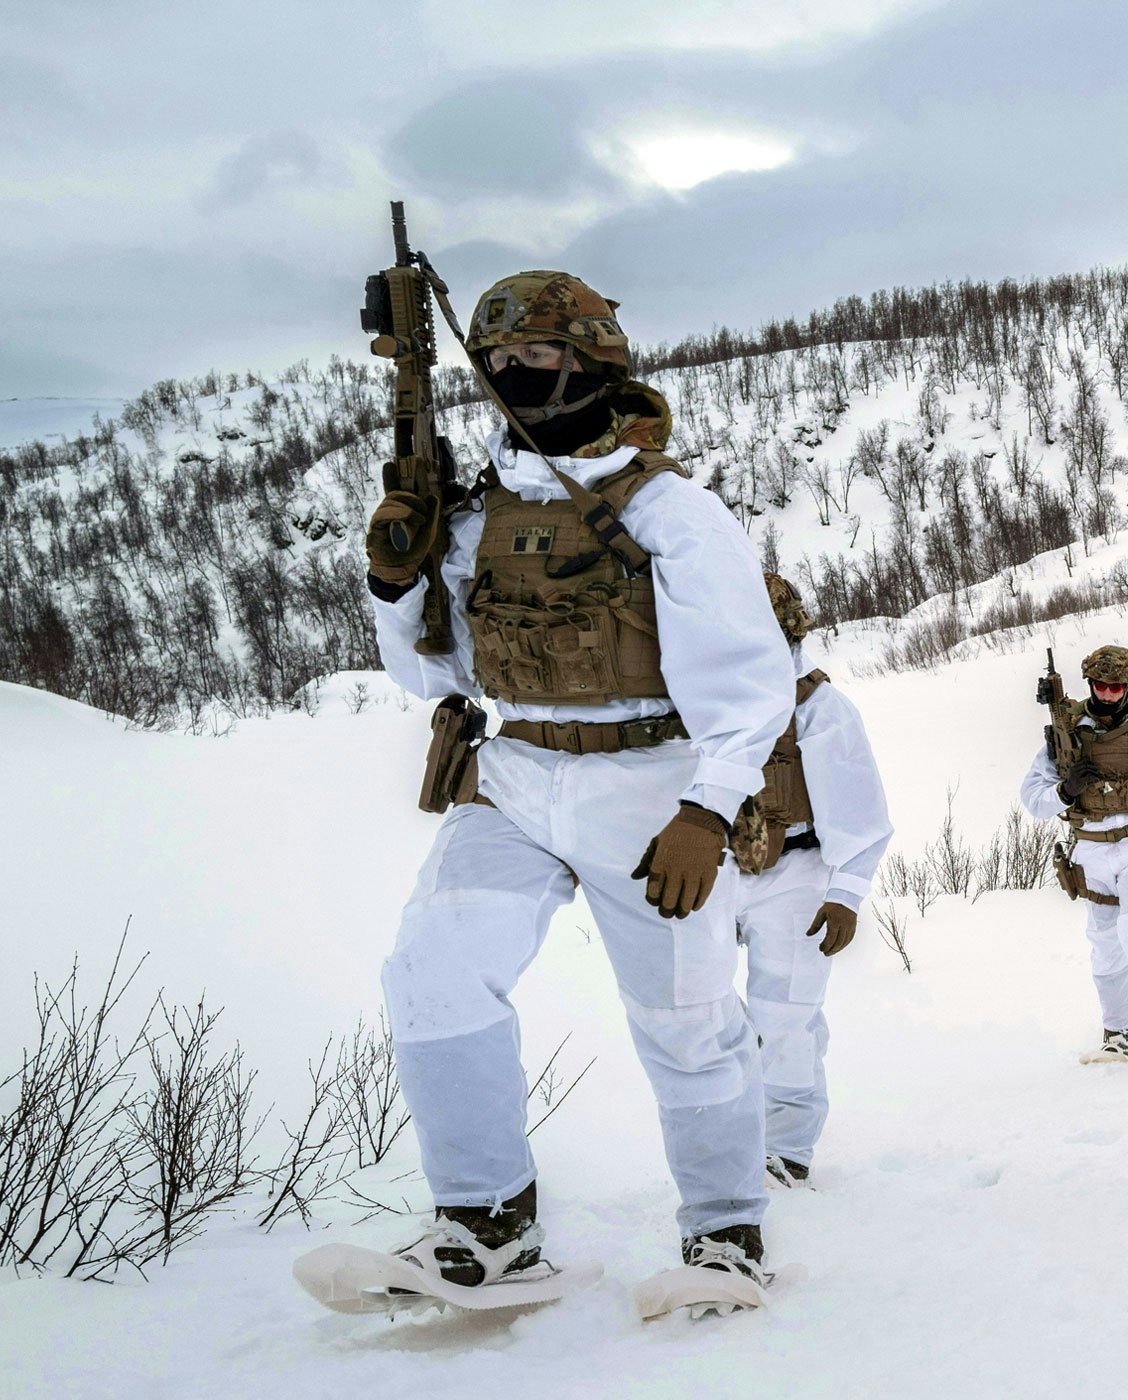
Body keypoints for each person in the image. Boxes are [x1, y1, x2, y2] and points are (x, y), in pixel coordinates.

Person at [364, 270, 792, 1289]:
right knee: (432, 968)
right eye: (501, 360)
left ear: (595, 360)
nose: (518, 374)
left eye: (542, 357)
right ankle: (486, 1223)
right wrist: (393, 580)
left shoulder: (671, 510)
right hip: (514, 774)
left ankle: (726, 1230)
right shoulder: (478, 514)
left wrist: (708, 806)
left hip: (651, 780)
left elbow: (750, 680)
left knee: (686, 1017)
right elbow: (437, 671)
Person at [729, 574, 893, 1189]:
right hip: (711, 871)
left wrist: (845, 893)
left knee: (787, 1014)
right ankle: (720, 1140)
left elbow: (860, 811)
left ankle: (786, 1149)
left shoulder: (819, 708)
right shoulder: (696, 698)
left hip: (796, 871)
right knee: (697, 1011)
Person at [1020, 645, 1128, 1076]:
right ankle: (1119, 1033)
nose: (1107, 692)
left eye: (1116, 686)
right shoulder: (1067, 733)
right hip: (1092, 850)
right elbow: (1032, 798)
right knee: (1104, 944)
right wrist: (1064, 791)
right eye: (1100, 685)